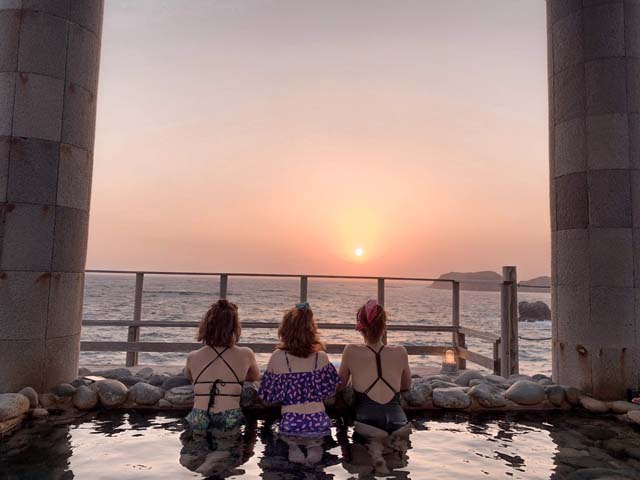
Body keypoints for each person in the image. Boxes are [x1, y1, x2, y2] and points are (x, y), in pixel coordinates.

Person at [258, 302, 340, 464]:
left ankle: (293, 447)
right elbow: (331, 391)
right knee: (315, 443)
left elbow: (267, 396)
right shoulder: (321, 357)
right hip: (319, 419)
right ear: (312, 330)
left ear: (285, 330)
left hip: (291, 420)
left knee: (291, 440)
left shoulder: (277, 356)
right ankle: (314, 448)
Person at [338, 299, 412, 437]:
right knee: (397, 449)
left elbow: (340, 386)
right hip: (398, 420)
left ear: (361, 329)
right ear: (384, 326)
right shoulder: (401, 351)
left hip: (368, 421)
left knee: (367, 449)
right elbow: (406, 385)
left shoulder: (351, 351)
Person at [184, 299, 259, 431]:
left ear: (207, 326)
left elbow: (188, 376)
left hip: (199, 415)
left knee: (196, 441)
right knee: (229, 442)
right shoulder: (246, 353)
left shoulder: (193, 356)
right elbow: (254, 377)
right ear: (235, 328)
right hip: (229, 416)